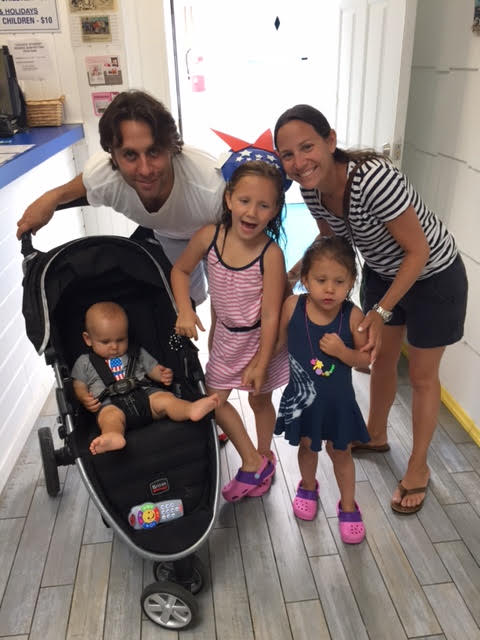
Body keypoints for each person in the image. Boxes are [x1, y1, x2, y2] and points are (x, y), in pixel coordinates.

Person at [274, 104, 468, 514]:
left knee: (421, 375)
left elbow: (418, 251)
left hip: (433, 276)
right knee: (379, 360)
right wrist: (293, 274)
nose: (299, 162)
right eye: (287, 154)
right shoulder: (311, 189)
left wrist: (380, 312)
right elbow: (333, 245)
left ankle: (418, 466)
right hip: (382, 272)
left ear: (330, 141)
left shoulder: (374, 180)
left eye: (307, 147)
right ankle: (376, 434)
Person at [16, 89, 225, 306]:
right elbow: (87, 185)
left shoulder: (212, 189)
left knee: (225, 300)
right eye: (130, 155)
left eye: (154, 152)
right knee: (189, 300)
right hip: (169, 234)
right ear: (113, 157)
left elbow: (253, 236)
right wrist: (52, 197)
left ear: (171, 148)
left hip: (218, 231)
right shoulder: (105, 177)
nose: (145, 170)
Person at [171, 160, 290, 501]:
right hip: (226, 337)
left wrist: (262, 362)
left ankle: (263, 456)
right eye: (244, 201)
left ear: (275, 210)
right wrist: (185, 309)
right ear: (228, 199)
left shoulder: (271, 254)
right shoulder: (208, 237)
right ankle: (252, 459)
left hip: (261, 340)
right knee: (214, 399)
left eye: (263, 205)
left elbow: (271, 315)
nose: (252, 212)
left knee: (259, 398)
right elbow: (180, 270)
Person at [275, 237, 369, 542]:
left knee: (341, 452)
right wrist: (257, 366)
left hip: (338, 405)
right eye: (321, 280)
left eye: (339, 282)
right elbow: (278, 343)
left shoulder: (353, 316)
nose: (330, 289)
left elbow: (365, 360)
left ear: (351, 282)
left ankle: (348, 505)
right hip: (303, 402)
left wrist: (343, 352)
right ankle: (307, 486)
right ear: (305, 280)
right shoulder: (293, 306)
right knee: (306, 446)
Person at [72, 301, 219, 455]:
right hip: (110, 404)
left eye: (120, 340)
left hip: (145, 396)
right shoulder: (84, 362)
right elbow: (78, 384)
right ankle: (113, 436)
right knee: (109, 418)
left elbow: (152, 369)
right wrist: (83, 397)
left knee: (166, 400)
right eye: (105, 342)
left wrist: (162, 375)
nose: (114, 346)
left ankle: (189, 409)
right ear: (88, 339)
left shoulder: (135, 352)